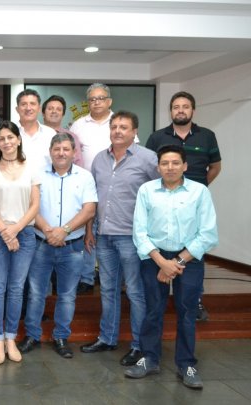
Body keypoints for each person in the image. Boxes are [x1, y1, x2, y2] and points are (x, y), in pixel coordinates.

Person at [125, 145, 218, 389]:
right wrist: (161, 262)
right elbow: (139, 231)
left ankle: (186, 363)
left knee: (187, 312)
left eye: (175, 163)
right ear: (158, 166)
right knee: (152, 311)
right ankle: (149, 359)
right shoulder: (147, 190)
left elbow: (207, 234)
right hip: (154, 258)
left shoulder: (199, 192)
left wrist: (175, 263)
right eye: (165, 163)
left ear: (185, 166)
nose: (170, 167)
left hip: (189, 259)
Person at [80, 111, 159, 367]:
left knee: (135, 292)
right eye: (114, 126)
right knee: (108, 290)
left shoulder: (148, 159)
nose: (117, 131)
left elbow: (159, 196)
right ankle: (107, 338)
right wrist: (90, 229)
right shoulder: (100, 160)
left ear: (135, 131)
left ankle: (138, 345)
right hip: (104, 236)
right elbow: (93, 198)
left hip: (132, 237)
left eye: (123, 127)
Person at [18, 133, 97, 359]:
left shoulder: (85, 177)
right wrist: (49, 231)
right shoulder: (36, 174)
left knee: (67, 295)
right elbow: (30, 206)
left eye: (65, 149)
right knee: (35, 293)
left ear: (73, 153)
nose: (61, 153)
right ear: (50, 151)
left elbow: (89, 210)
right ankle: (32, 335)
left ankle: (61, 336)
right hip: (41, 243)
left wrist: (65, 231)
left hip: (72, 247)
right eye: (57, 149)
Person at [145, 91, 222, 322]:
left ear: (193, 110)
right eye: (176, 107)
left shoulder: (207, 136)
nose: (181, 110)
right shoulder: (158, 137)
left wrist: (198, 191)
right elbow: (150, 168)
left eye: (185, 106)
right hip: (164, 198)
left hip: (194, 202)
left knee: (197, 244)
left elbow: (216, 167)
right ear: (170, 111)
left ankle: (194, 298)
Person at [0, 121, 40, 364]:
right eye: (1, 138)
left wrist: (15, 230)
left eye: (10, 137)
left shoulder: (31, 167)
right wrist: (6, 231)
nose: (6, 142)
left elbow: (35, 205)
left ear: (18, 139)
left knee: (16, 288)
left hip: (24, 234)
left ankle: (10, 337)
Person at [69, 83, 115, 294]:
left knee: (110, 232)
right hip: (85, 186)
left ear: (109, 101)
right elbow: (72, 155)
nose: (96, 102)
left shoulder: (118, 122)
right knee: (87, 231)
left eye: (101, 98)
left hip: (113, 186)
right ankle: (86, 277)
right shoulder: (78, 125)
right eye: (92, 99)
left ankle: (111, 277)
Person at [15, 89, 56, 171]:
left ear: (39, 109)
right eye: (23, 104)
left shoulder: (50, 134)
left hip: (45, 183)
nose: (28, 108)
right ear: (17, 109)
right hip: (15, 182)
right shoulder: (8, 133)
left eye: (32, 104)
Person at [42, 95, 84, 167]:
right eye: (50, 109)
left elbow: (78, 163)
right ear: (43, 113)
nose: (54, 111)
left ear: (63, 114)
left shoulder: (72, 137)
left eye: (58, 109)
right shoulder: (35, 134)